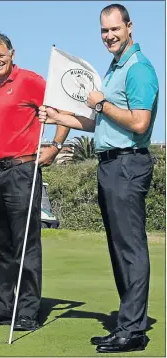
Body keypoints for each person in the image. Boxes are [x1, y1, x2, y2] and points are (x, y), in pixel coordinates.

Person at [39, 4, 158, 353]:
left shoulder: (139, 69)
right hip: (110, 165)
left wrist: (102, 103)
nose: (108, 36)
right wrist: (58, 115)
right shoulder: (114, 68)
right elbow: (97, 124)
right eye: (103, 31)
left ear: (129, 27)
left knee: (131, 250)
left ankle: (133, 331)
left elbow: (139, 123)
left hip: (128, 165)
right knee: (119, 250)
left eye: (114, 29)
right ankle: (126, 323)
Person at [0, 32, 70, 331]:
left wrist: (54, 147)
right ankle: (2, 307)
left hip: (23, 171)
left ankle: (27, 311)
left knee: (25, 242)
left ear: (12, 53)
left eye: (0, 55)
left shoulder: (30, 81)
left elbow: (62, 111)